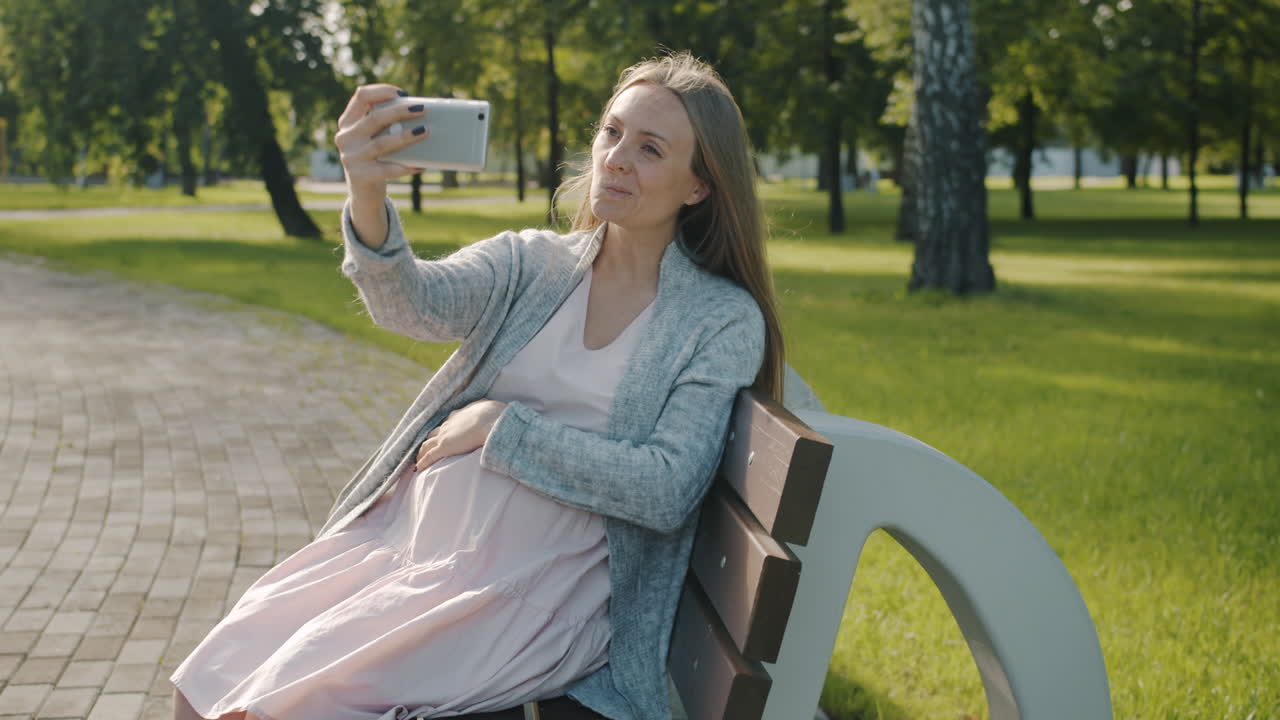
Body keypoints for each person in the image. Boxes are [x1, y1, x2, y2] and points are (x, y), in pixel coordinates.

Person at [169, 51, 785, 720]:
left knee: (272, 708)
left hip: (524, 591)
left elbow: (665, 487)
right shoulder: (532, 264)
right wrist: (367, 193)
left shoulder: (717, 319)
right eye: (611, 132)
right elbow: (414, 306)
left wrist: (499, 426)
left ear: (698, 186)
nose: (615, 158)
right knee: (204, 680)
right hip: (406, 547)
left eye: (650, 148)